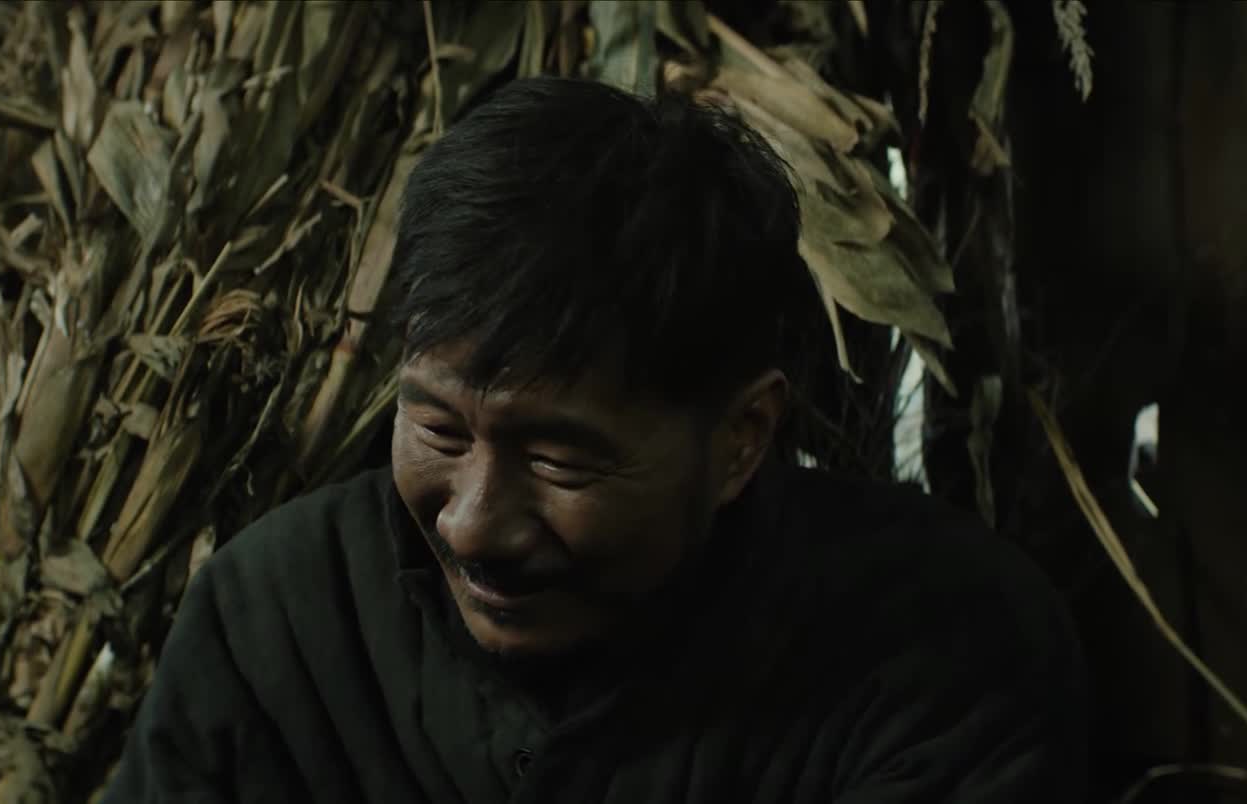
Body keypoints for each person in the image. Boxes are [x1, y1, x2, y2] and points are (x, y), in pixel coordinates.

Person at [103, 77, 1086, 803]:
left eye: (558, 457)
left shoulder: (939, 647)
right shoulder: (274, 623)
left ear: (741, 438)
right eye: (438, 427)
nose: (474, 523)